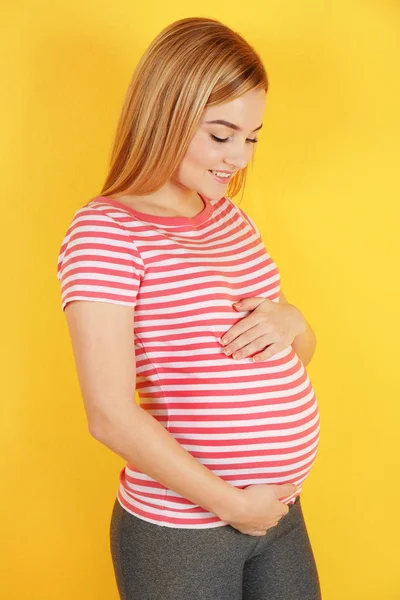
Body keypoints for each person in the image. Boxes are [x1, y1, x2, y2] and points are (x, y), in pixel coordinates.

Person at [56, 16, 322, 600]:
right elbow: (108, 414)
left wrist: (295, 321)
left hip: (275, 513)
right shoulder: (104, 233)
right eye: (221, 135)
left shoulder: (228, 217)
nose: (239, 157)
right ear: (166, 116)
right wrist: (235, 505)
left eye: (251, 137)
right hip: (183, 530)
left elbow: (293, 353)